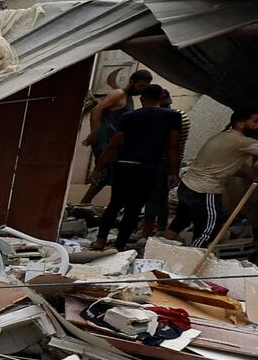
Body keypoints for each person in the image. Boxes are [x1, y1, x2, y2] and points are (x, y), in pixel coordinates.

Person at [92, 84, 182, 251]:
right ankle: (120, 244)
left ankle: (101, 239)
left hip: (124, 165)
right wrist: (174, 172)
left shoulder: (129, 116)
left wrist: (97, 168)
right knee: (134, 207)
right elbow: (173, 147)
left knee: (115, 204)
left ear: (141, 99)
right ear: (161, 98)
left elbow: (113, 145)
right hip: (147, 168)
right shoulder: (172, 116)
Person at [165, 110, 258, 248]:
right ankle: (193, 261)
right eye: (255, 122)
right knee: (209, 230)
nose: (257, 125)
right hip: (204, 191)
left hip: (187, 185)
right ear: (241, 124)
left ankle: (161, 249)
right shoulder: (242, 142)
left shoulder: (221, 137)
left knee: (180, 221)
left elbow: (232, 167)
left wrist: (252, 176)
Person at [79, 70, 152, 207]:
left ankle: (86, 203)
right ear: (132, 82)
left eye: (145, 87)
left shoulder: (129, 98)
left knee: (111, 173)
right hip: (104, 138)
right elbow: (96, 110)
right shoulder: (118, 94)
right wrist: (93, 132)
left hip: (114, 141)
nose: (142, 90)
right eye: (140, 86)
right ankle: (83, 203)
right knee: (105, 171)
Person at [142, 91, 194, 237]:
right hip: (171, 162)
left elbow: (172, 145)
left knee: (152, 198)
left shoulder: (169, 117)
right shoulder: (180, 116)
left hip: (160, 162)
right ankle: (161, 227)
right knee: (161, 196)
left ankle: (148, 230)